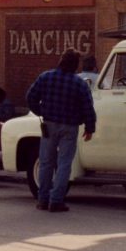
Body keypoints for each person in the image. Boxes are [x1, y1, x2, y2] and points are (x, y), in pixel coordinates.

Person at [26, 48, 97, 213]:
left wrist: (40, 111)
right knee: (64, 163)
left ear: (61, 60)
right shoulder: (79, 83)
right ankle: (56, 200)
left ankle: (42, 199)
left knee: (46, 162)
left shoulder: (46, 77)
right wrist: (89, 127)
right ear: (75, 65)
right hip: (70, 127)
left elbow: (30, 97)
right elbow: (88, 107)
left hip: (49, 124)